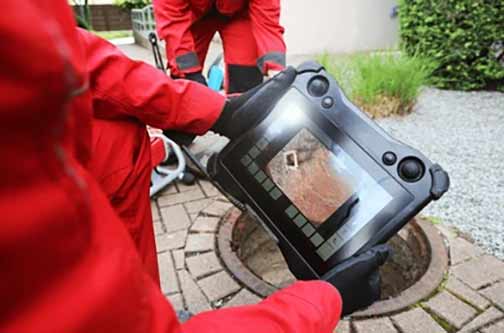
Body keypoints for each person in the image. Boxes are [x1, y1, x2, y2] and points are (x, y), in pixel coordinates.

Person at [0, 1, 388, 332]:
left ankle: (144, 296)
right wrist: (323, 302)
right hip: (191, 16)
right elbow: (172, 19)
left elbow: (75, 58)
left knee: (123, 138)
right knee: (187, 73)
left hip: (234, 14)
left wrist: (217, 108)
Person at [153, 0, 286, 93]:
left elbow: (267, 21)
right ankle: (177, 129)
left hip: (239, 15)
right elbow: (173, 23)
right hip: (194, 17)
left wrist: (277, 70)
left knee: (245, 79)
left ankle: (244, 128)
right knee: (186, 78)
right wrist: (191, 74)